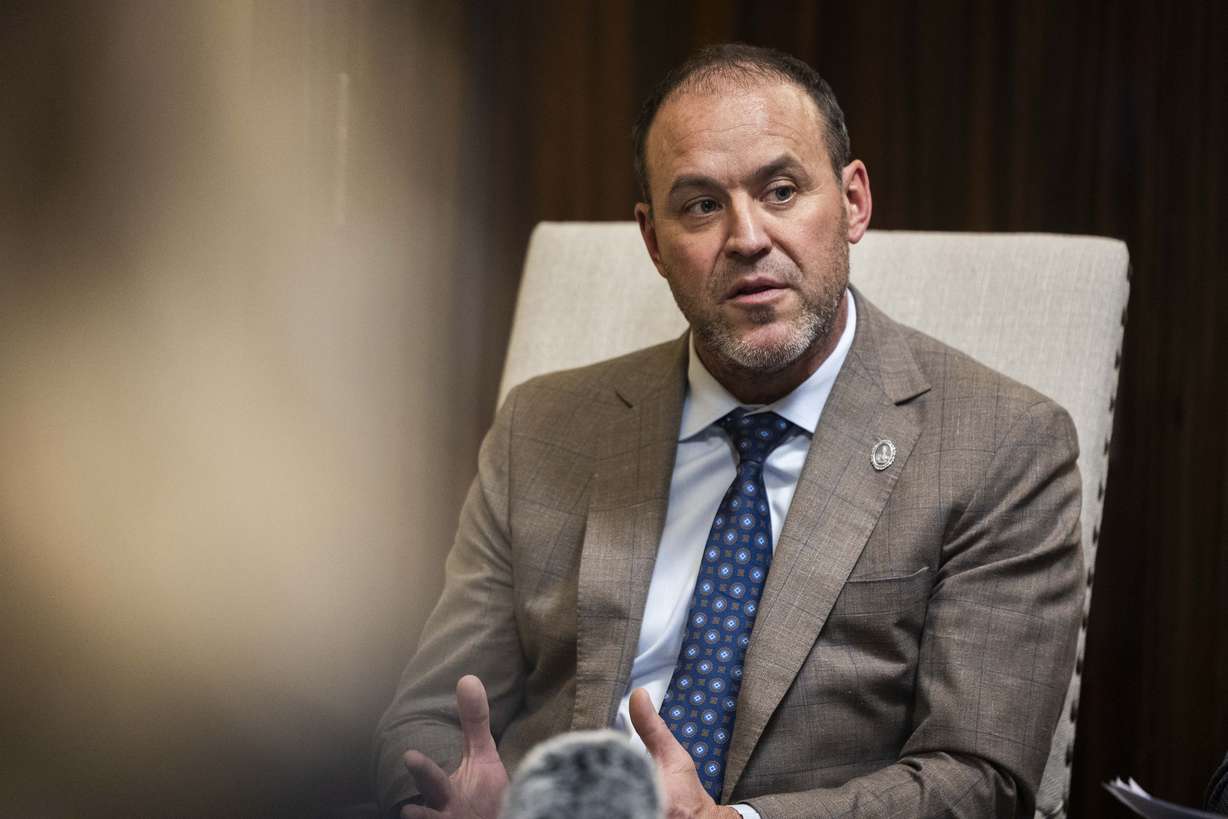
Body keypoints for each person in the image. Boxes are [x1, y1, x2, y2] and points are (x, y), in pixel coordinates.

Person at [375, 44, 1084, 818]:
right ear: (652, 240)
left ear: (852, 202)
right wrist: (436, 794)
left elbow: (978, 778)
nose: (746, 237)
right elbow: (433, 715)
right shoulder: (541, 428)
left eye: (781, 190)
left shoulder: (1002, 445)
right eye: (701, 205)